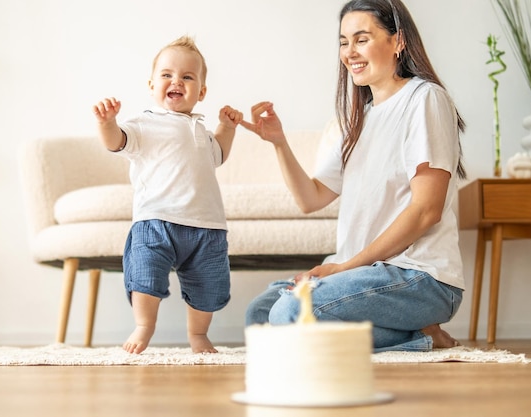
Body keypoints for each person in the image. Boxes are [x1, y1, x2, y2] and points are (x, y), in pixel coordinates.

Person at [240, 0, 466, 352]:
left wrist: (344, 267)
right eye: (344, 42)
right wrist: (279, 143)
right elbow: (310, 198)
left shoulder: (425, 99)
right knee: (260, 315)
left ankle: (420, 335)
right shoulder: (360, 121)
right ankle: (416, 334)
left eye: (362, 39)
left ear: (398, 41)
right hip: (364, 274)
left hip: (419, 276)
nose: (349, 52)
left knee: (287, 315)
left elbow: (426, 210)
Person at [93, 35, 243, 354]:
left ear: (201, 92)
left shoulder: (201, 130)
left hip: (207, 226)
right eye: (167, 75)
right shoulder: (144, 125)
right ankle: (144, 326)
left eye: (187, 77)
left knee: (209, 286)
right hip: (155, 220)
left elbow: (218, 155)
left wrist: (226, 128)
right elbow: (116, 141)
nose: (176, 81)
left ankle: (198, 335)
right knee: (145, 276)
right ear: (151, 85)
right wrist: (108, 123)